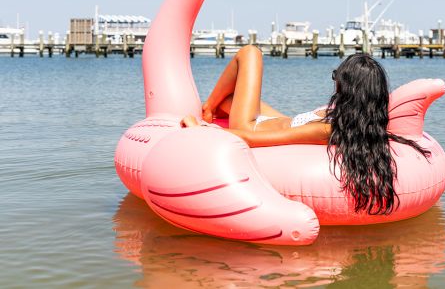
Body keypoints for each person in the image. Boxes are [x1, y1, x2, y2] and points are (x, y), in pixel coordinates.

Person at [181, 46, 430, 214]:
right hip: (280, 118)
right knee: (231, 99)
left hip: (252, 125)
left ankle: (207, 110)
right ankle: (214, 106)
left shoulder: (327, 130)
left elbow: (254, 139)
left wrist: (202, 130)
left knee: (251, 53)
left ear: (349, 88)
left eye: (337, 77)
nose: (334, 83)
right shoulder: (357, 119)